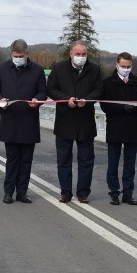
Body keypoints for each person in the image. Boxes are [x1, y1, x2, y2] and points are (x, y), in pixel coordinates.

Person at [0, 39, 47, 204]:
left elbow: (43, 92)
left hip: (29, 120)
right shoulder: (2, 68)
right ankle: (8, 192)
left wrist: (37, 99)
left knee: (26, 160)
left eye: (21, 56)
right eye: (15, 55)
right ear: (11, 54)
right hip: (10, 120)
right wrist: (0, 100)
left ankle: (22, 192)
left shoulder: (37, 70)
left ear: (27, 54)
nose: (18, 58)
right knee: (12, 159)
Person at [47, 41, 103, 203]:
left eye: (83, 54)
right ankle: (65, 192)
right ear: (71, 54)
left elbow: (99, 90)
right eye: (77, 54)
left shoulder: (94, 69)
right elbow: (50, 89)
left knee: (86, 160)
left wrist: (88, 100)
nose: (80, 57)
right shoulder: (59, 68)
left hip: (85, 121)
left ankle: (83, 192)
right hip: (65, 120)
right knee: (63, 160)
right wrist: (66, 100)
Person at [99, 52, 137, 205]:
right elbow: (104, 105)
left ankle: (128, 193)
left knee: (130, 164)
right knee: (113, 163)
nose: (126, 69)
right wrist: (121, 108)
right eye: (123, 66)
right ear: (117, 65)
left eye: (128, 66)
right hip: (115, 126)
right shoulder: (107, 82)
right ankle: (114, 193)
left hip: (133, 127)